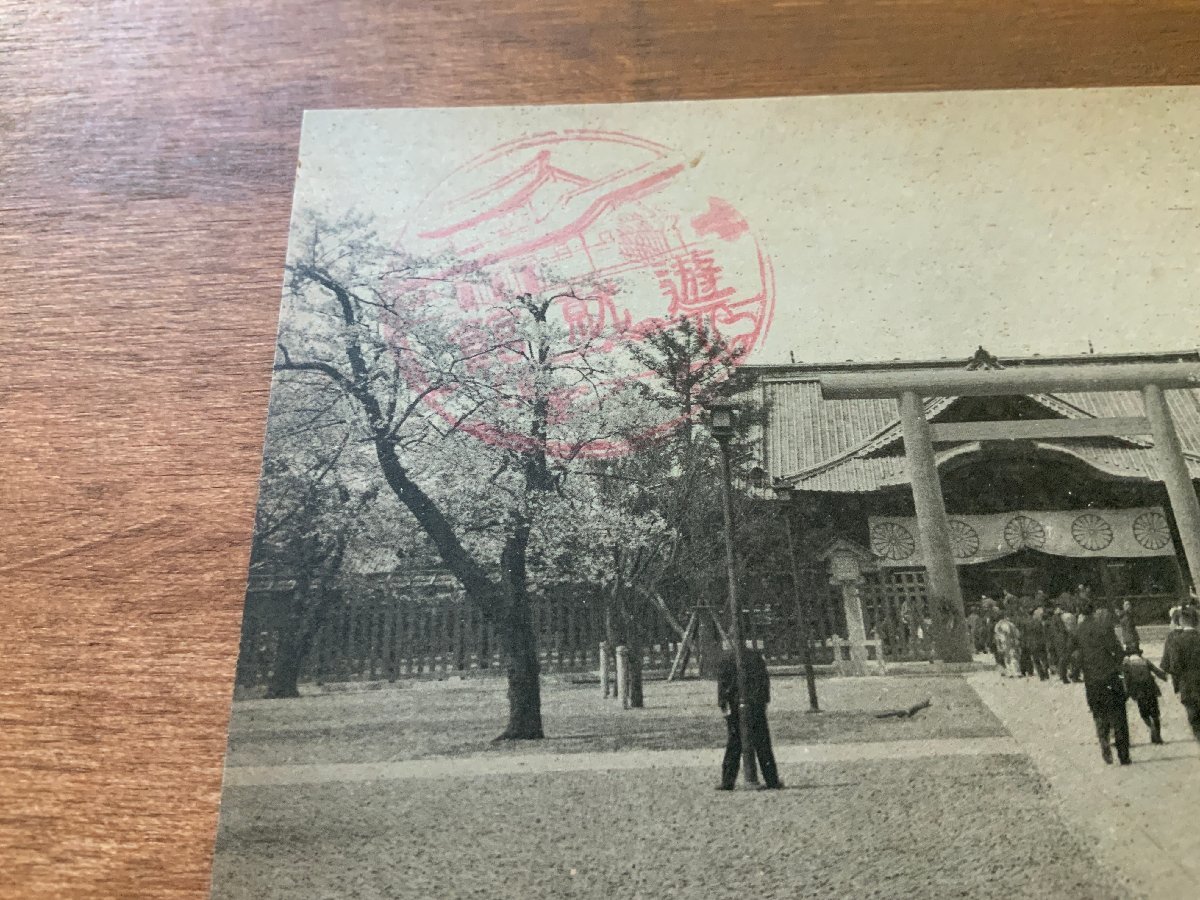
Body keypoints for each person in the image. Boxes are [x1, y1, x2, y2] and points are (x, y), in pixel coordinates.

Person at [1070, 599, 1131, 765]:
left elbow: (1074, 654)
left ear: (1080, 613)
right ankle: (1123, 754)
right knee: (1118, 714)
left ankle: (1103, 739)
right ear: (1094, 611)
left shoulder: (1077, 631)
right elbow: (1116, 649)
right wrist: (1121, 661)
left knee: (1099, 713)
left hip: (1092, 679)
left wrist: (1077, 671)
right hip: (1110, 675)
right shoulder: (1103, 627)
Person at [717, 645, 781, 790]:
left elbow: (722, 684)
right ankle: (772, 780)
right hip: (756, 704)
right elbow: (764, 680)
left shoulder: (726, 658)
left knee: (734, 743)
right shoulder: (755, 657)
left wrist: (722, 703)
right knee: (762, 743)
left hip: (734, 705)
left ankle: (728, 781)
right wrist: (764, 700)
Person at [1161, 605, 1200, 744]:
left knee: (1194, 716)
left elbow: (1174, 666)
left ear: (1182, 621)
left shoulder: (1177, 640)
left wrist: (1176, 686)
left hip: (1187, 685)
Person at [1122, 646, 1167, 745]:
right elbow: (1157, 671)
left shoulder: (1127, 665)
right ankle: (1158, 737)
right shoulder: (1145, 661)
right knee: (1155, 713)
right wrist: (1164, 676)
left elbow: (1126, 681)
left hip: (1139, 692)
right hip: (1151, 690)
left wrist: (1126, 694)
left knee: (1144, 713)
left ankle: (1151, 727)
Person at [994, 605, 1022, 679]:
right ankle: (1017, 672)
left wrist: (998, 645)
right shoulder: (1010, 624)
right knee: (1014, 657)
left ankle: (1010, 672)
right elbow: (1017, 633)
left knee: (1007, 657)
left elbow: (997, 637)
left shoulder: (997, 625)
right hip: (1012, 641)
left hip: (1004, 643)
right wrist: (1016, 640)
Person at [1025, 605, 1050, 681]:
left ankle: (1041, 675)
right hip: (1040, 642)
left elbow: (1025, 634)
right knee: (1044, 658)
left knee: (1036, 660)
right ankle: (1046, 672)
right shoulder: (1038, 622)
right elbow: (1043, 632)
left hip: (1032, 643)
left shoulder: (1027, 623)